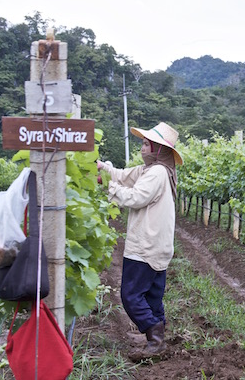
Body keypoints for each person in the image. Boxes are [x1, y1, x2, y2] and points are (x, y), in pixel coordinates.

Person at [97, 122, 183, 359]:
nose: (142, 148)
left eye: (146, 144)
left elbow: (136, 197)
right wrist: (104, 168)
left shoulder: (155, 173)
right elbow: (124, 175)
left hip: (145, 246)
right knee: (153, 297)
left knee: (131, 295)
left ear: (158, 150)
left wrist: (109, 187)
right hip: (159, 246)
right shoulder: (154, 170)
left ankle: (153, 333)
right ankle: (159, 338)